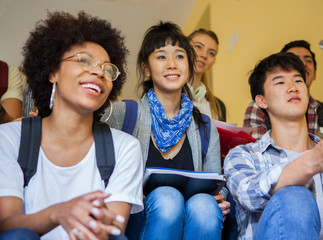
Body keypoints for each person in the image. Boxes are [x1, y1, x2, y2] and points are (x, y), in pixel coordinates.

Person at [0, 11, 143, 240]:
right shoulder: (8, 138)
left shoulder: (125, 148)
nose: (99, 72)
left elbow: (113, 230)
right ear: (52, 71)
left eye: (108, 69)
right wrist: (59, 213)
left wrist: (101, 225)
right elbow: (7, 226)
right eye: (84, 61)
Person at [102, 21, 229, 240]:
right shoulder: (123, 113)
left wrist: (221, 199)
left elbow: (217, 184)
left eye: (179, 56)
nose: (172, 64)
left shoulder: (206, 127)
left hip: (194, 219)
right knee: (168, 198)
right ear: (146, 68)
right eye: (161, 56)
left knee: (206, 205)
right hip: (137, 219)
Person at [225, 52, 323, 239]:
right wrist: (312, 162)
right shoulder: (243, 155)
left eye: (298, 81)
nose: (292, 88)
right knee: (296, 197)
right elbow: (249, 195)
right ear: (261, 101)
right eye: (280, 82)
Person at [243, 40, 323, 139]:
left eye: (298, 80)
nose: (303, 64)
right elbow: (258, 149)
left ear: (315, 74)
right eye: (281, 82)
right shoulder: (244, 153)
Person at [187, 29, 226, 121]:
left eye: (211, 53)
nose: (204, 55)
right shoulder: (168, 94)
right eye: (198, 47)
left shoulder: (218, 106)